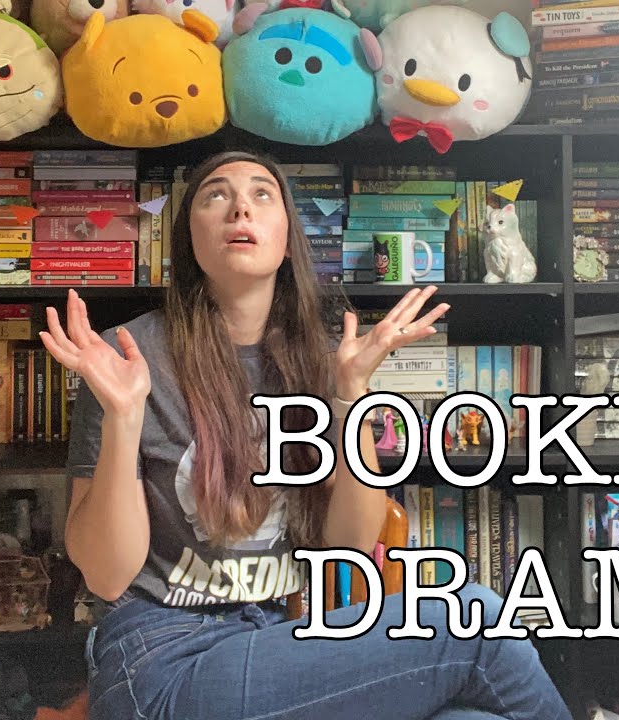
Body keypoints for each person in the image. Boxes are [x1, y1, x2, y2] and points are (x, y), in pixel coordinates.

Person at [39, 150, 573, 720]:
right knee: (475, 620)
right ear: (188, 237)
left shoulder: (318, 361)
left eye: (261, 194)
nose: (240, 207)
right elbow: (107, 576)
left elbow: (349, 545)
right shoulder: (128, 356)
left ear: (288, 238)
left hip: (270, 637)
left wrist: (351, 396)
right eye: (215, 195)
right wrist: (123, 417)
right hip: (158, 659)